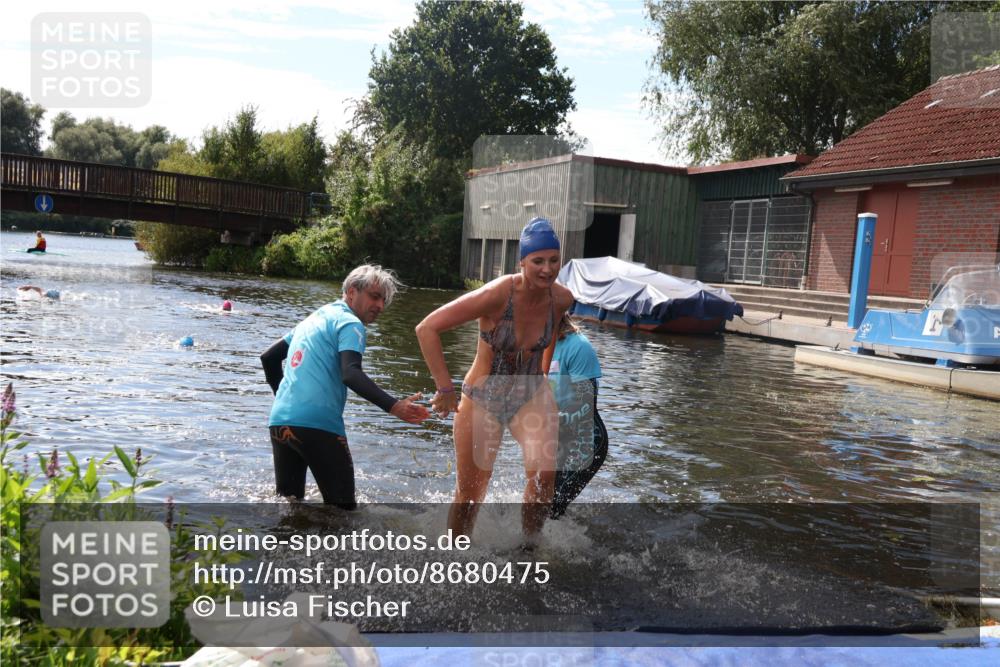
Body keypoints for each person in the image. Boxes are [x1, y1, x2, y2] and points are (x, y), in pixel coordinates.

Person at [415, 218, 574, 539]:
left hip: (530, 394)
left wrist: (544, 379)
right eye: (538, 261)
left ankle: (529, 549)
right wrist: (445, 389)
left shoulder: (562, 299)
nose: (547, 269)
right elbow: (427, 328)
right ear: (522, 262)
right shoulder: (498, 294)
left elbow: (552, 334)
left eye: (554, 260)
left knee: (545, 475)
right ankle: (456, 552)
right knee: (472, 493)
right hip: (483, 397)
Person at [260, 264, 429, 508]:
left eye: (384, 300)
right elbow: (350, 373)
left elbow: (269, 358)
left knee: (290, 508)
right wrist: (394, 406)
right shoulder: (351, 323)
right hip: (318, 426)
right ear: (352, 292)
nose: (380, 306)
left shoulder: (315, 318)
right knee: (344, 514)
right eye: (374, 296)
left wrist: (284, 400)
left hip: (279, 422)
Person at [549, 315, 608, 518]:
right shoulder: (531, 345)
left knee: (551, 507)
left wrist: (555, 420)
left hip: (584, 440)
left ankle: (548, 548)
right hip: (553, 439)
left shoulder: (577, 346)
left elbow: (586, 401)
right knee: (537, 502)